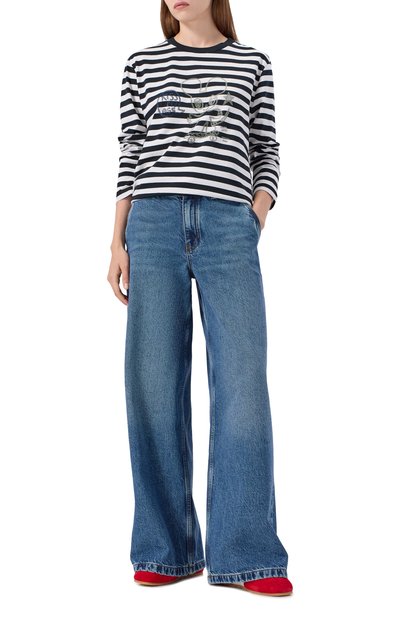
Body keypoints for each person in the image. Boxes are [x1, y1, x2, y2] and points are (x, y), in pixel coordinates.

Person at [107, 0, 293, 597]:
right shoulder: (141, 64)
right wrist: (116, 240)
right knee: (152, 384)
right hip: (153, 225)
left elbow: (266, 151)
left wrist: (253, 216)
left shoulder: (252, 63)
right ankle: (166, 550)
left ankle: (249, 555)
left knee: (242, 383)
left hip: (228, 225)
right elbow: (130, 152)